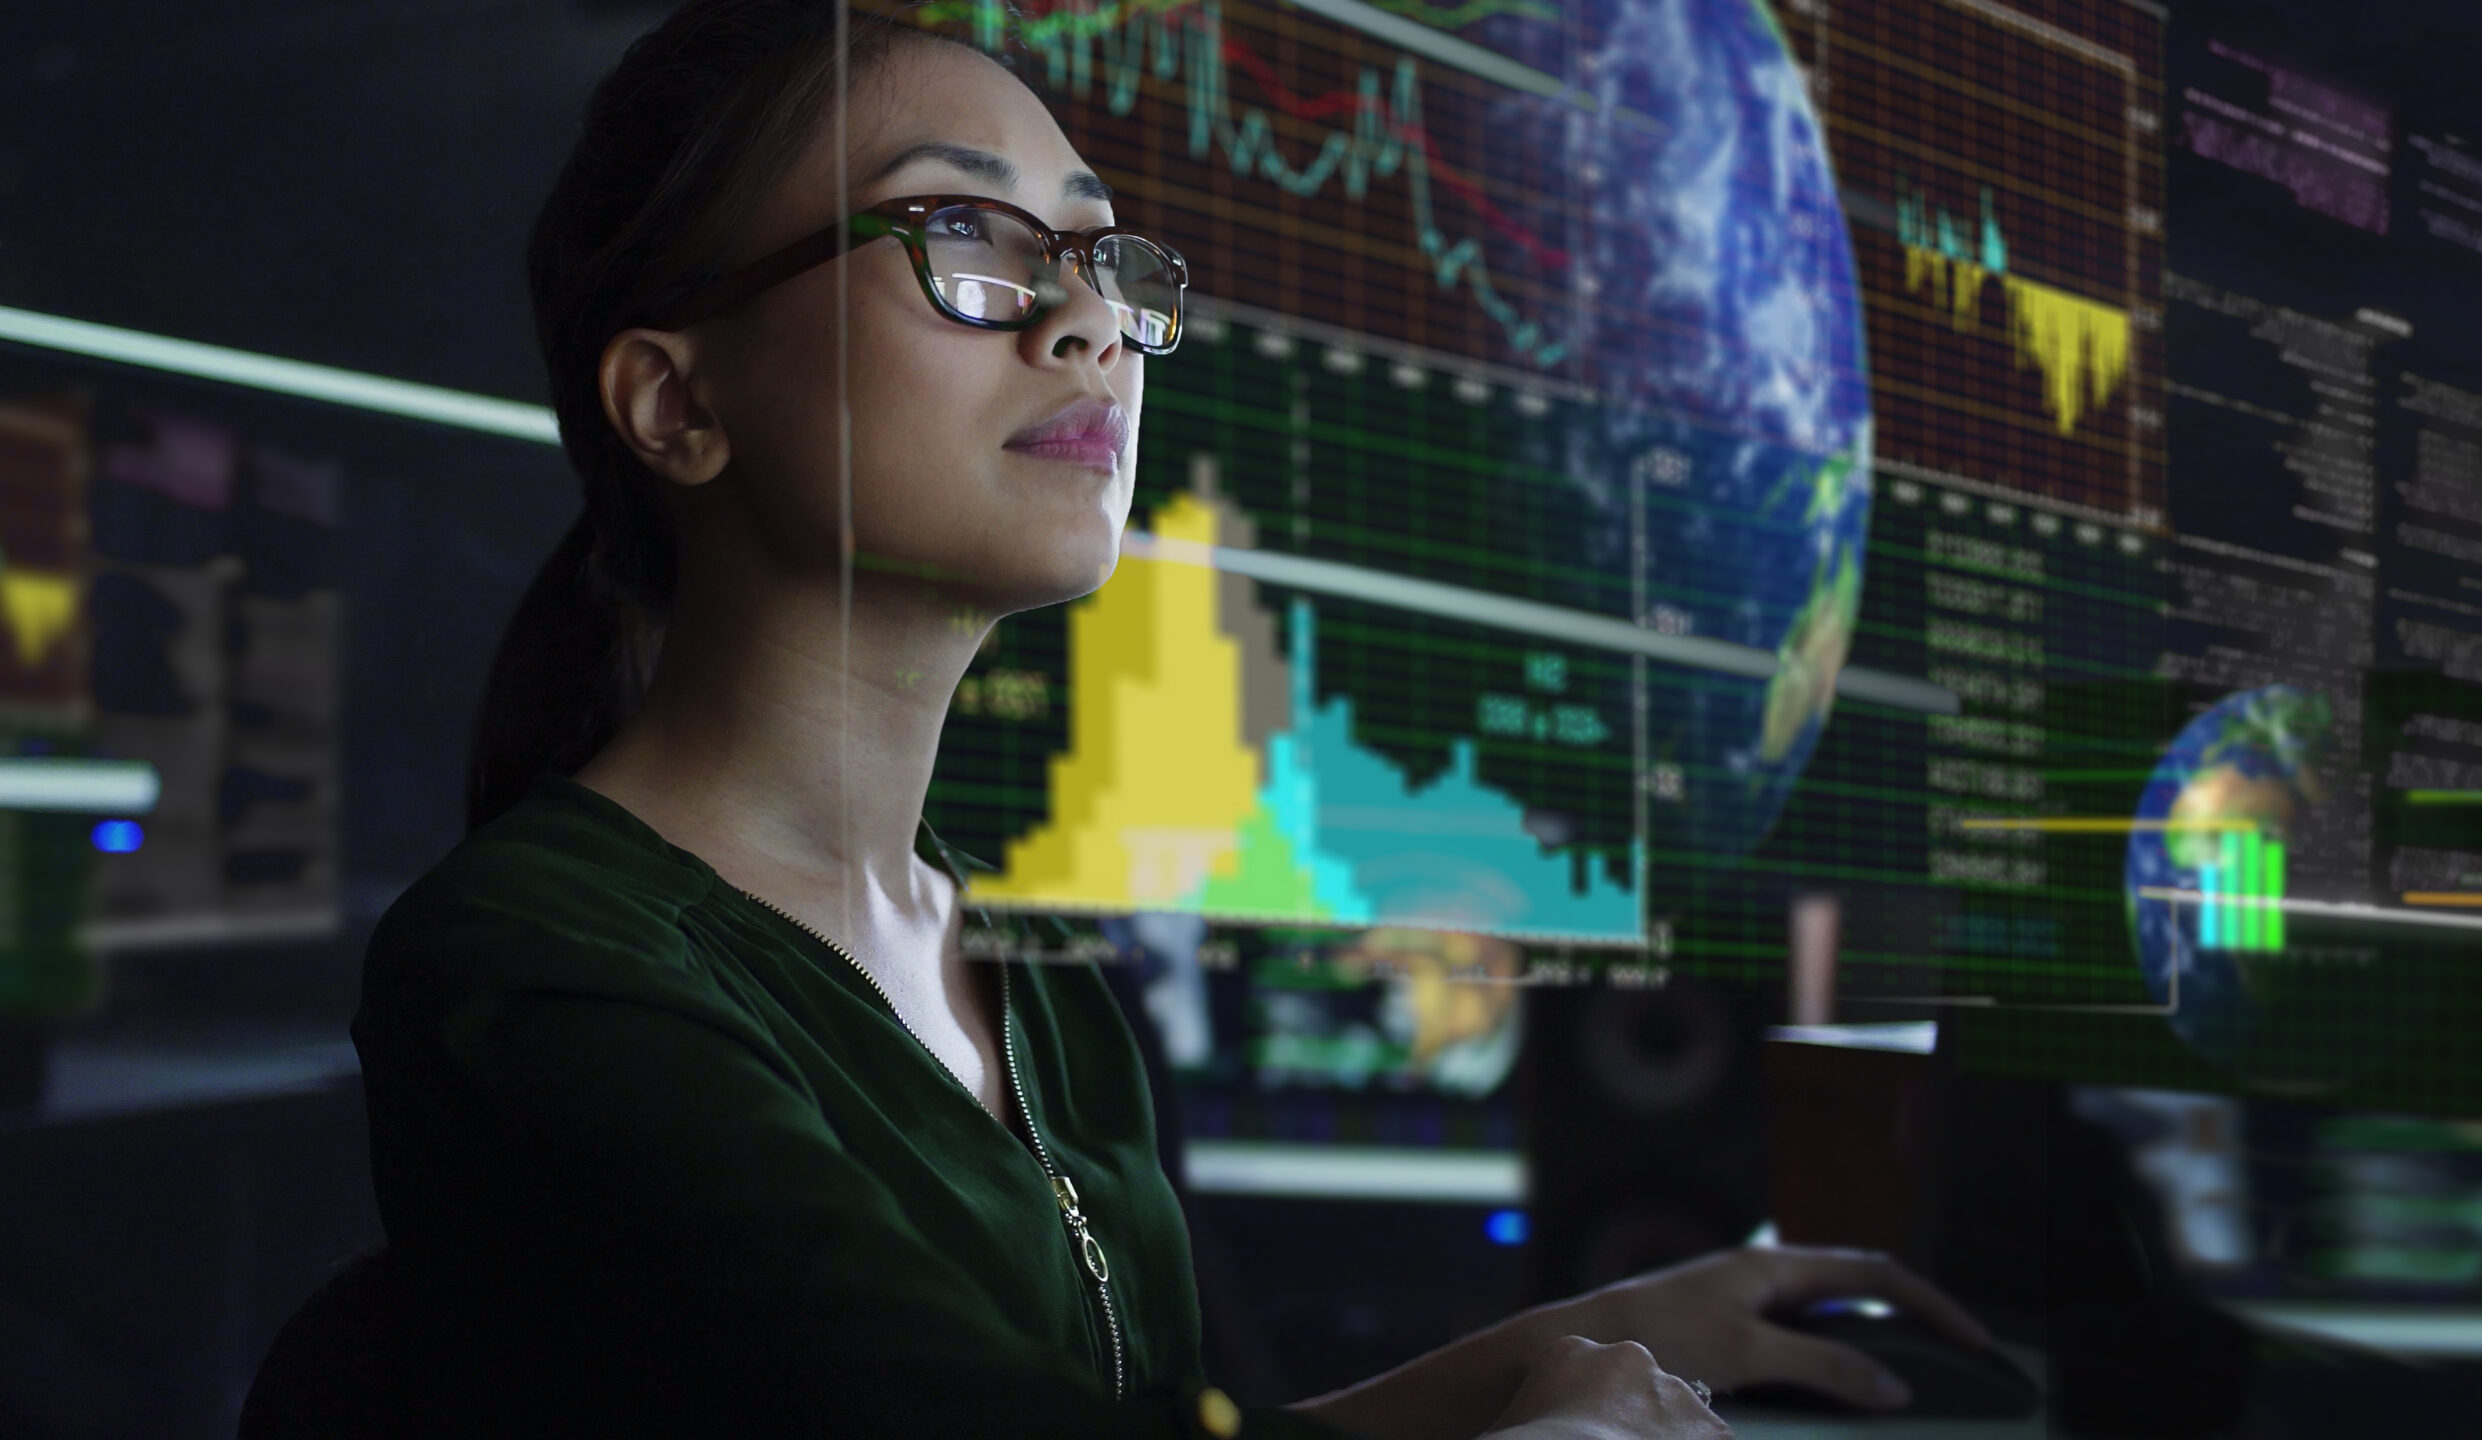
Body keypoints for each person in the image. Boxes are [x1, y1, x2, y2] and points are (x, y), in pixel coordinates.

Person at [353, 2, 1993, 1435]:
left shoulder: (1021, 974)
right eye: (968, 240)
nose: (1089, 328)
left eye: (1103, 258)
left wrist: (1548, 1358)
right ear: (677, 401)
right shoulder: (536, 967)